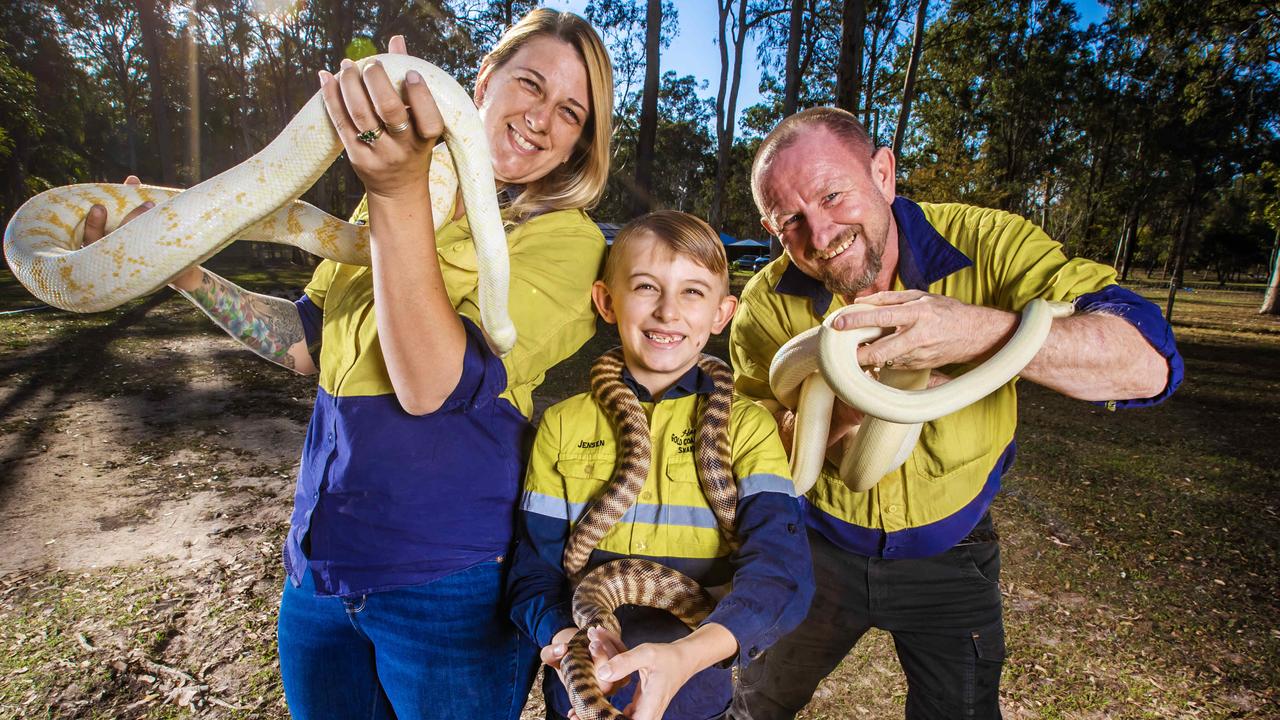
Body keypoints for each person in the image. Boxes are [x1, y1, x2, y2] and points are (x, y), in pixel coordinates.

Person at [82, 10, 614, 720]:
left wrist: (396, 196)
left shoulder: (568, 243)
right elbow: (305, 343)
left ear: (582, 141)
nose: (541, 119)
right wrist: (184, 270)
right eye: (529, 85)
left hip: (449, 590)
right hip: (321, 572)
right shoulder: (397, 189)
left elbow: (432, 386)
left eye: (570, 112)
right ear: (480, 82)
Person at [725, 107, 1183, 720]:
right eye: (791, 222)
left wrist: (976, 334)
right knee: (753, 704)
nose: (821, 234)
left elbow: (1148, 362)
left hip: (954, 549)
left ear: (883, 173)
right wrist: (831, 407)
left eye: (834, 194)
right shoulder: (763, 308)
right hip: (816, 549)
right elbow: (754, 457)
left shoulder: (993, 246)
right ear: (771, 227)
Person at [507, 211, 815, 720]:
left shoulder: (747, 427)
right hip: (584, 680)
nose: (668, 311)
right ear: (606, 301)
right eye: (647, 287)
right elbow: (534, 572)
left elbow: (780, 569)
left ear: (722, 313)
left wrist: (687, 655)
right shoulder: (563, 425)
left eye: (693, 292)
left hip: (695, 688)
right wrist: (566, 637)